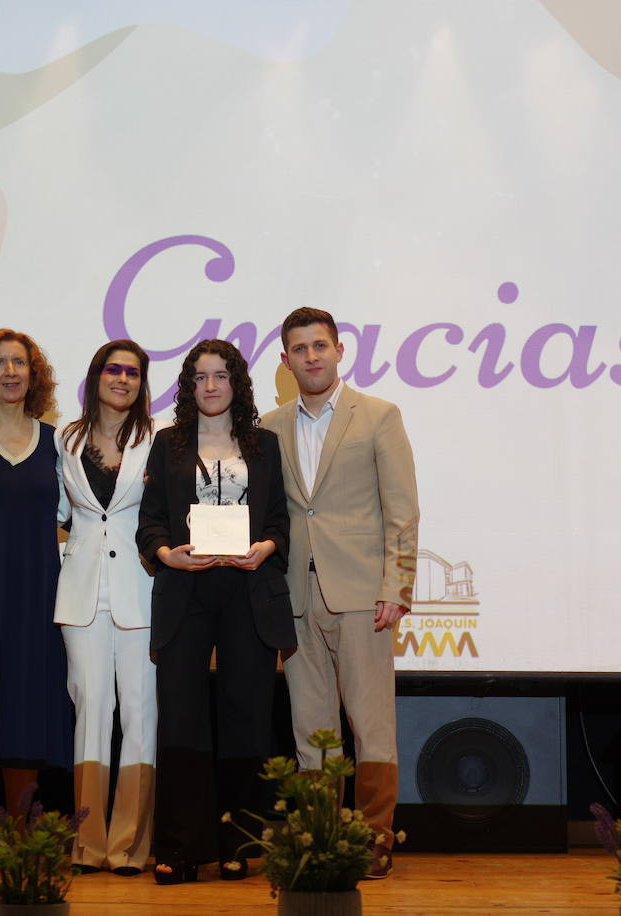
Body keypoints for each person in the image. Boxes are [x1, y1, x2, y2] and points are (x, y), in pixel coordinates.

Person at [261, 307, 419, 879]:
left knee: (370, 722)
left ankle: (374, 838)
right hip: (294, 596)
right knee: (312, 726)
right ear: (285, 361)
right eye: (299, 349)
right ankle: (323, 836)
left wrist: (397, 585)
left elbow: (402, 511)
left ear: (339, 350)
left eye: (319, 346)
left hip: (362, 595)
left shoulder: (378, 415)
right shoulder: (269, 426)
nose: (311, 357)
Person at [136, 338, 295, 885]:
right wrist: (165, 555)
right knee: (181, 717)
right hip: (185, 591)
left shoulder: (265, 445)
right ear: (187, 385)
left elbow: (279, 520)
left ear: (237, 384)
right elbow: (151, 520)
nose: (210, 386)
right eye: (200, 376)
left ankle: (238, 843)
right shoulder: (168, 445)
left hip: (250, 591)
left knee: (246, 717)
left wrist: (266, 550)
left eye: (221, 376)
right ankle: (180, 848)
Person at [0, 329, 71, 834]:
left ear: (34, 374)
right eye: (0, 364)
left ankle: (20, 837)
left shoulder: (56, 442)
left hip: (38, 590)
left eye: (19, 363)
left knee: (27, 703)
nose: (10, 372)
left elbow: (76, 513)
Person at [54, 340, 159, 876]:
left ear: (142, 384)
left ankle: (130, 845)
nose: (122, 379)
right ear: (96, 376)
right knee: (90, 712)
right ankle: (89, 843)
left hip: (140, 590)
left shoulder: (158, 439)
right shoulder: (64, 438)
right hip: (80, 594)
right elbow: (57, 512)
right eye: (114, 370)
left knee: (140, 714)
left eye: (133, 373)